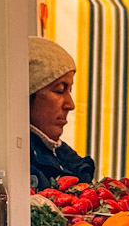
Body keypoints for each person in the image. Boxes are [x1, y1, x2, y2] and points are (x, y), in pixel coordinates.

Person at [29, 36, 96, 190]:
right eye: (60, 90)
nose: (70, 105)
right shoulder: (20, 164)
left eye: (69, 90)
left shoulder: (62, 155)